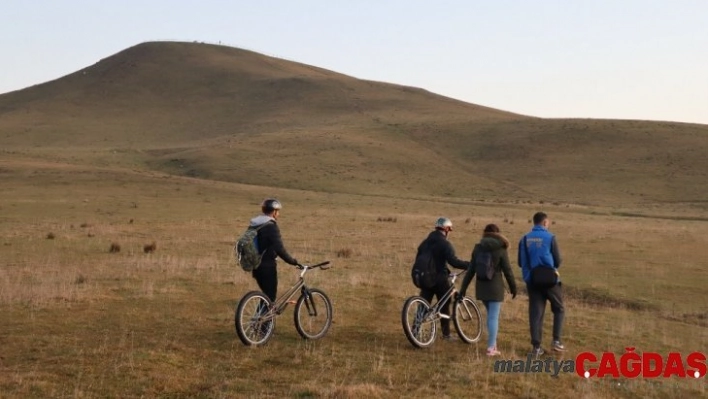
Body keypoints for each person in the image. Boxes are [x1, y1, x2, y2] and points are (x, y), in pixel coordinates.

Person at [459, 224, 518, 356]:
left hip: (481, 287)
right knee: (493, 317)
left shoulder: (478, 248)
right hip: (495, 287)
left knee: (490, 315)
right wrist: (513, 287)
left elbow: (470, 271)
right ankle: (491, 347)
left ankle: (493, 343)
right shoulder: (501, 248)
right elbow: (507, 270)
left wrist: (463, 289)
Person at [414, 217, 471, 340]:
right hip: (439, 278)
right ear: (446, 229)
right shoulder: (445, 244)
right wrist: (469, 265)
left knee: (423, 305)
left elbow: (425, 260)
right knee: (445, 303)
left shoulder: (425, 242)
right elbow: (454, 262)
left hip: (425, 278)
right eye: (449, 230)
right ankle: (446, 335)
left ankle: (414, 331)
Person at [517, 212, 565, 356]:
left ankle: (536, 347)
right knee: (559, 308)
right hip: (550, 280)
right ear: (545, 222)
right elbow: (558, 260)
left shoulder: (524, 239)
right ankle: (556, 341)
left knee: (536, 313)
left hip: (532, 280)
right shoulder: (550, 237)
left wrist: (528, 275)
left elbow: (520, 262)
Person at [249, 198, 299, 302]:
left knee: (266, 296)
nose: (279, 214)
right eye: (278, 211)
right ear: (274, 212)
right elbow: (279, 248)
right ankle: (262, 318)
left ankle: (262, 317)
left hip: (255, 265)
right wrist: (293, 261)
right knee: (270, 298)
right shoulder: (270, 226)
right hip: (267, 266)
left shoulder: (255, 224)